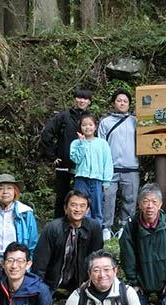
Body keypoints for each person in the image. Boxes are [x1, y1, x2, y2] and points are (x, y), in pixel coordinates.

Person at [119, 183, 166, 305]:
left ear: (160, 204)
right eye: (145, 202)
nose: (149, 206)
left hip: (165, 282)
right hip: (140, 282)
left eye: (154, 202)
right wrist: (134, 282)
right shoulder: (132, 226)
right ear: (139, 204)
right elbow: (128, 256)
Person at [32, 190, 103, 293]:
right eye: (73, 205)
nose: (78, 209)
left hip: (82, 283)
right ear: (66, 208)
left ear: (87, 210)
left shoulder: (94, 228)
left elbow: (96, 258)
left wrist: (89, 281)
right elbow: (40, 261)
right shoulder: (53, 228)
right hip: (52, 283)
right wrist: (38, 287)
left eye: (82, 206)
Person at [39, 87, 93, 219]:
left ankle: (80, 222)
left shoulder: (90, 119)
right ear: (75, 99)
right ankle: (58, 222)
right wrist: (52, 156)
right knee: (62, 195)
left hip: (83, 166)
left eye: (85, 98)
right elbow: (47, 135)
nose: (82, 101)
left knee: (82, 195)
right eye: (79, 97)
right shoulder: (63, 117)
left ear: (89, 102)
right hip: (63, 162)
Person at [99, 89, 139, 241]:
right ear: (114, 102)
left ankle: (124, 226)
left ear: (129, 104)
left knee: (130, 198)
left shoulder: (135, 122)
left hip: (131, 167)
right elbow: (101, 145)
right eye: (119, 100)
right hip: (110, 168)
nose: (122, 103)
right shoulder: (105, 122)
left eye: (125, 101)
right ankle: (106, 227)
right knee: (107, 198)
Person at [70, 112, 113, 227]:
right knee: (82, 204)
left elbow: (107, 162)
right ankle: (83, 228)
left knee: (97, 205)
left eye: (90, 125)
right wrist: (82, 144)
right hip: (81, 179)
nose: (87, 127)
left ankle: (97, 229)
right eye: (84, 125)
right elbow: (76, 159)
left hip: (97, 179)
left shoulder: (102, 143)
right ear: (80, 127)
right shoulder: (75, 143)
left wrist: (106, 180)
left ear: (95, 126)